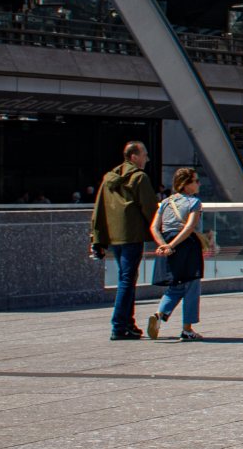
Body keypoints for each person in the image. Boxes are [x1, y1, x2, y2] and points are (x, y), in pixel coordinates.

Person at [89, 141, 157, 341]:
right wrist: (160, 234)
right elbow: (150, 208)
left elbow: (99, 209)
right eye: (144, 154)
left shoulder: (109, 178)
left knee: (125, 277)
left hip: (114, 236)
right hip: (132, 235)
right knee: (127, 279)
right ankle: (119, 325)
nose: (147, 158)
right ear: (134, 156)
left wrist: (98, 239)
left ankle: (128, 323)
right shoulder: (139, 178)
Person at [147, 168, 211, 341]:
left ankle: (160, 314)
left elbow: (154, 227)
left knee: (175, 285)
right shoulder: (194, 202)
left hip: (168, 243)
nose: (199, 184)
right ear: (185, 184)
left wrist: (164, 245)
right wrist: (173, 244)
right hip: (187, 246)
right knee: (191, 285)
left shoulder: (166, 202)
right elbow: (189, 227)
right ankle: (187, 329)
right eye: (196, 181)